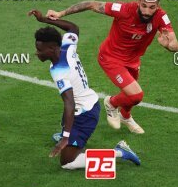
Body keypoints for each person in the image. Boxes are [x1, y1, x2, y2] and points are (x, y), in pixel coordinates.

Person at [46, 0, 178, 134]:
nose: (147, 11)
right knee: (136, 95)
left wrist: (168, 45)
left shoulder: (161, 17)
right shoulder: (123, 9)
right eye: (144, 6)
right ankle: (111, 103)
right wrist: (61, 13)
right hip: (111, 58)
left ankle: (125, 116)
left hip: (133, 60)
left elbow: (175, 45)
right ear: (139, 2)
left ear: (158, 6)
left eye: (152, 7)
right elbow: (91, 4)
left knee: (130, 97)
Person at [28, 9, 141, 169]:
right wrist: (45, 20)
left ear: (53, 48)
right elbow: (73, 28)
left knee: (67, 163)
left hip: (85, 114)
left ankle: (120, 152)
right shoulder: (67, 47)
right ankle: (67, 135)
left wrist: (66, 138)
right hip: (88, 100)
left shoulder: (60, 71)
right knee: (67, 121)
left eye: (40, 50)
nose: (37, 53)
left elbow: (70, 104)